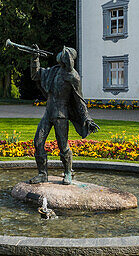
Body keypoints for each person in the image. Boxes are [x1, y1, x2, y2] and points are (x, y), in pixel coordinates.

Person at [29, 46, 99, 184]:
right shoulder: (53, 71)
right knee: (38, 142)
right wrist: (35, 58)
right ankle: (43, 174)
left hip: (61, 115)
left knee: (63, 145)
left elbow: (80, 100)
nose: (60, 54)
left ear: (68, 59)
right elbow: (35, 75)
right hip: (48, 113)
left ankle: (67, 172)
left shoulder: (73, 77)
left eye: (63, 54)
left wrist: (87, 118)